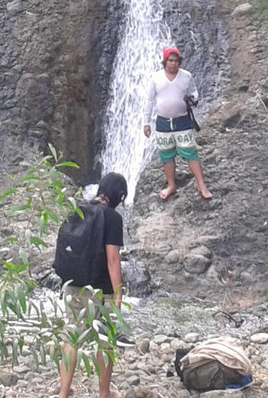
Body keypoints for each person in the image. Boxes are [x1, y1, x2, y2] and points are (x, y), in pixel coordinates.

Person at [58, 172, 127, 398]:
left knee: (72, 338)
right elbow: (113, 259)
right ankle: (104, 393)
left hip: (73, 284)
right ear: (120, 196)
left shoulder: (79, 209)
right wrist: (118, 293)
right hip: (100, 290)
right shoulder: (113, 218)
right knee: (105, 341)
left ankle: (63, 393)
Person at [143, 47, 212, 200]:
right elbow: (149, 101)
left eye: (176, 61)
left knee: (191, 152)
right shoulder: (156, 78)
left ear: (179, 62)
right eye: (170, 60)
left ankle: (201, 184)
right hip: (163, 123)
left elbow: (194, 92)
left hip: (182, 121)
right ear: (165, 61)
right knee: (167, 155)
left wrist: (193, 100)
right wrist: (146, 123)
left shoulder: (187, 76)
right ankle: (171, 185)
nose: (173, 64)